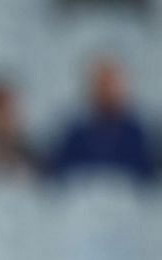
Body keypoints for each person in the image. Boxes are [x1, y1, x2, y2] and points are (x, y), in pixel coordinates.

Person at [46, 56, 156, 185]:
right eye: (101, 85)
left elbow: (148, 177)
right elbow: (61, 174)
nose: (106, 92)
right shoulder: (76, 135)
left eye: (110, 86)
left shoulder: (136, 135)